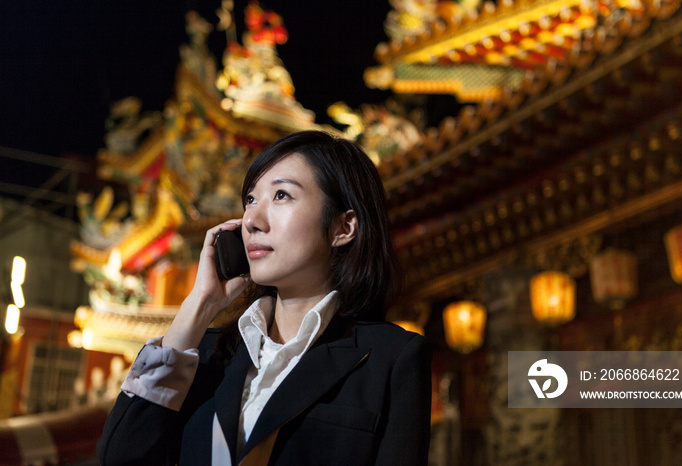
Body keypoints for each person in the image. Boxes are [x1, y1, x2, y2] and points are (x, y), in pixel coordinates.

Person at [97, 130, 432, 465]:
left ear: (343, 227)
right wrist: (200, 305)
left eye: (282, 195)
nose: (252, 221)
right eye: (251, 200)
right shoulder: (207, 356)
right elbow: (121, 458)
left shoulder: (390, 359)